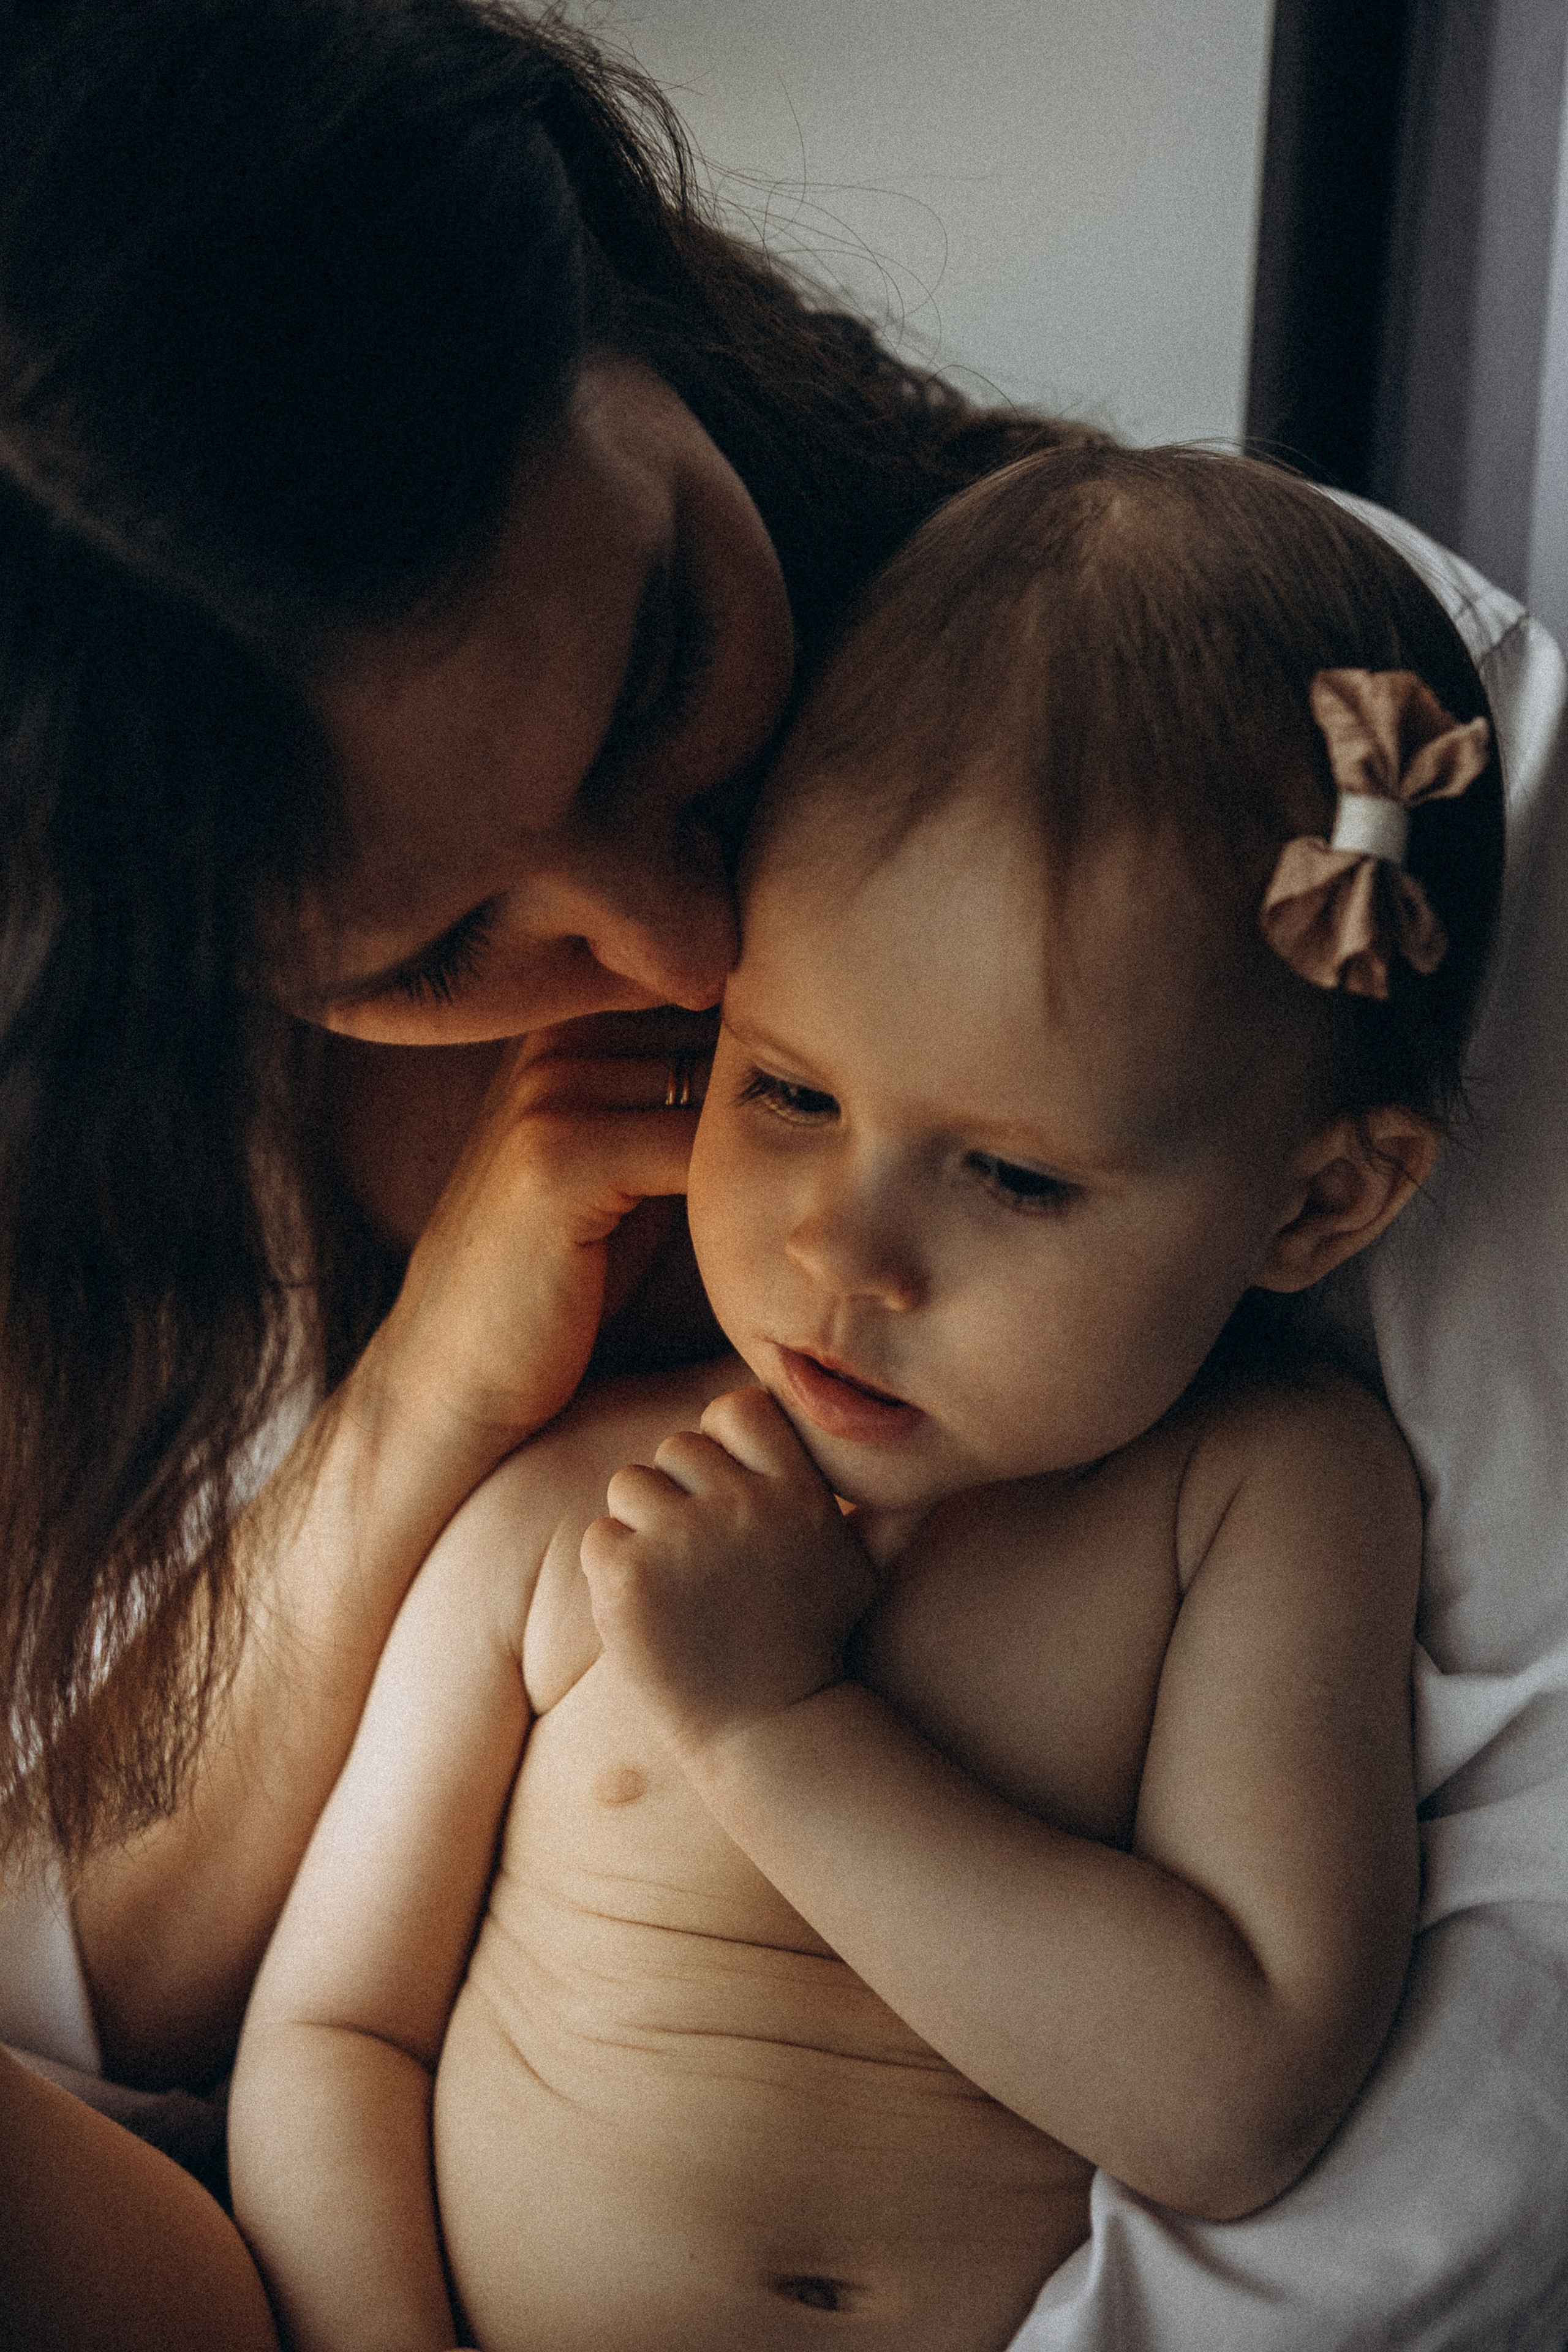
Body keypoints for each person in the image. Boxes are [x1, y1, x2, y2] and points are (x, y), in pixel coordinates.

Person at [227, 445, 1502, 2352]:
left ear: (1319, 1202)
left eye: (1013, 1177)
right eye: (790, 1094)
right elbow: (330, 2031)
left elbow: (1234, 2101)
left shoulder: (1261, 1502)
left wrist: (774, 1730)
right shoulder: (577, 1503)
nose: (848, 1253)